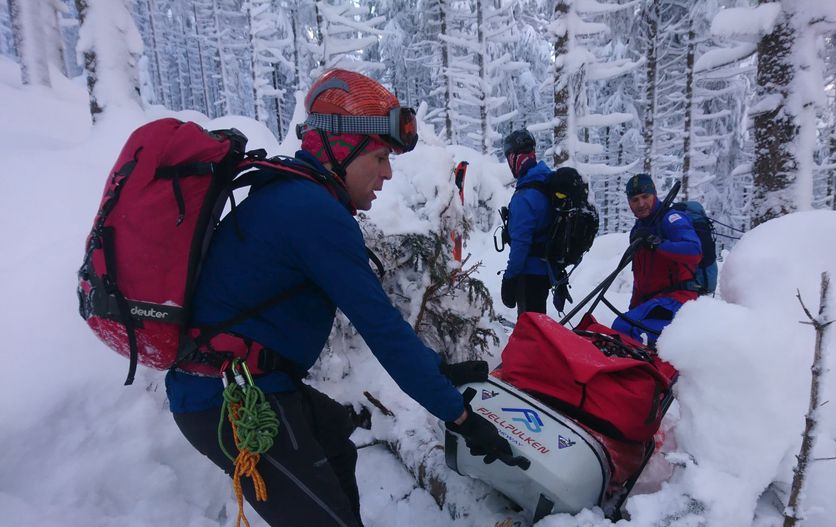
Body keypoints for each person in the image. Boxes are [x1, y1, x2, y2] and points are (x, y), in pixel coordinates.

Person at [166, 69, 512, 527]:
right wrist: (462, 418)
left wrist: (438, 369)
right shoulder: (312, 211)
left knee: (331, 436)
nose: (387, 173)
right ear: (341, 149)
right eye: (380, 156)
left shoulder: (295, 196)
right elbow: (383, 331)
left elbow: (380, 321)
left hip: (241, 385)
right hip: (229, 401)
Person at [611, 174, 702, 346]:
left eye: (645, 197)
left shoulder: (671, 219)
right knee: (621, 327)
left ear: (654, 195)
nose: (641, 204)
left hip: (679, 300)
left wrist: (657, 244)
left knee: (629, 330)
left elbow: (694, 251)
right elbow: (640, 278)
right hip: (655, 303)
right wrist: (634, 310)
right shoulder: (639, 230)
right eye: (635, 199)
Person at [500, 129, 554, 314]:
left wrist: (509, 279)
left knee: (531, 330)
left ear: (516, 157)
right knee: (538, 324)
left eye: (509, 158)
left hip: (530, 273)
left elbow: (521, 245)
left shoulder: (525, 196)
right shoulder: (545, 181)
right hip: (545, 271)